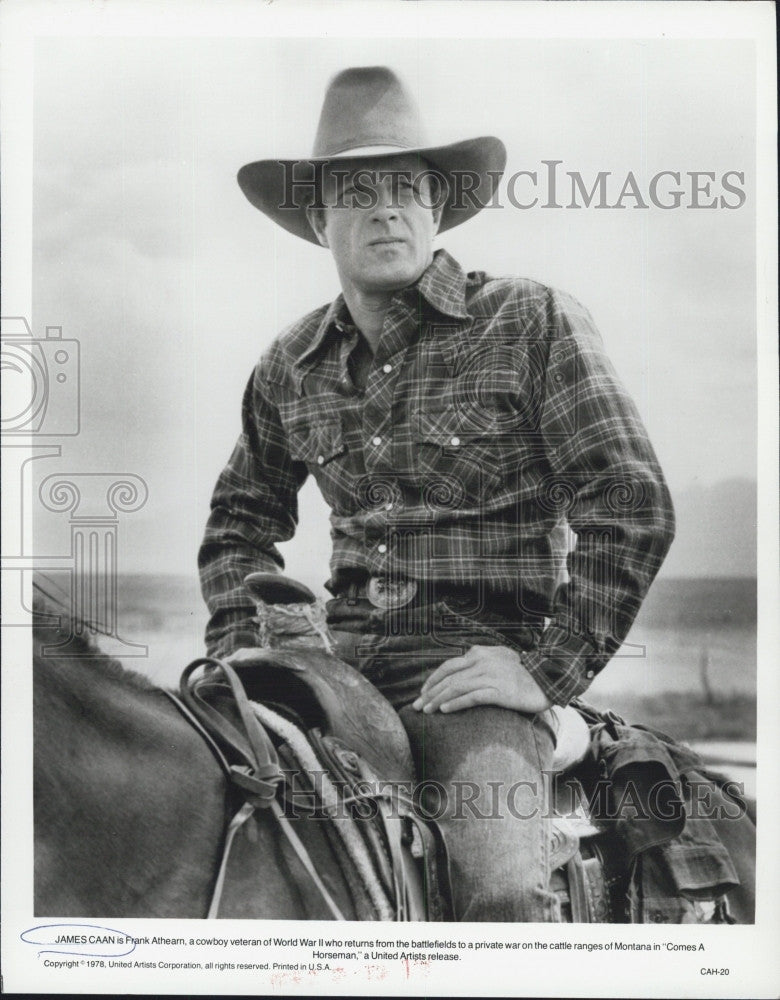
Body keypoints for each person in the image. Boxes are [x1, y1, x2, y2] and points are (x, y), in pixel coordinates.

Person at [198, 66, 676, 921]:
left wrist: (544, 672)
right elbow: (239, 518)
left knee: (496, 889)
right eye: (358, 191)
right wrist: (240, 647)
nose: (386, 209)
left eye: (407, 189)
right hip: (333, 666)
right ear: (319, 219)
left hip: (474, 675)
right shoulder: (288, 364)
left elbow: (628, 498)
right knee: (194, 803)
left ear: (436, 208)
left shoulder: (528, 321)